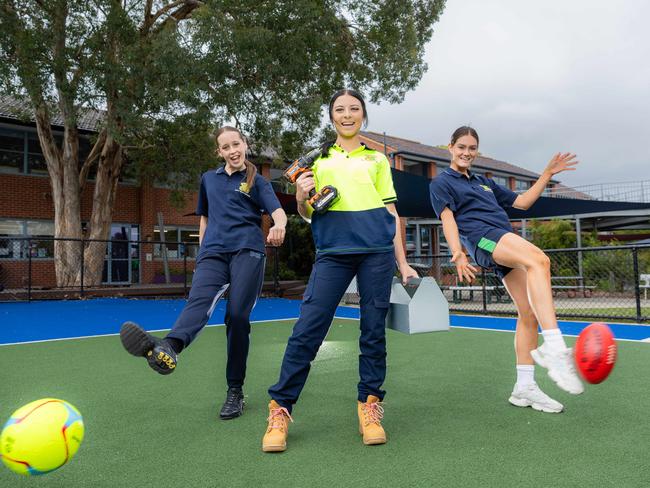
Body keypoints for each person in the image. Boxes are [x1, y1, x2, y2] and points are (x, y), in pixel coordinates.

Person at [261, 89, 418, 452]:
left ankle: (370, 405)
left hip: (377, 254)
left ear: (363, 115)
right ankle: (280, 409)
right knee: (307, 331)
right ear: (332, 117)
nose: (347, 115)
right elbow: (307, 213)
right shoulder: (319, 160)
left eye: (354, 109)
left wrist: (403, 262)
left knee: (373, 332)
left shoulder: (377, 161)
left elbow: (392, 214)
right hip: (332, 253)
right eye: (340, 109)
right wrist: (301, 196)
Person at [120, 126, 287, 420]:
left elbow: (278, 212)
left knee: (237, 316)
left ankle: (234, 390)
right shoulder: (209, 179)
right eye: (226, 147)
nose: (233, 150)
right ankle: (169, 347)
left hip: (247, 251)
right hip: (212, 252)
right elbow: (205, 218)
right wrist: (203, 250)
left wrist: (278, 225)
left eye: (236, 144)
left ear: (245, 145)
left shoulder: (258, 181)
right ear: (219, 152)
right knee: (198, 300)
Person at [429, 126, 583, 414]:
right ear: (450, 147)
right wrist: (457, 253)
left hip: (501, 239)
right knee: (540, 260)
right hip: (481, 237)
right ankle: (554, 346)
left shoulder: (483, 182)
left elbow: (522, 202)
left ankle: (524, 387)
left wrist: (547, 174)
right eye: (461, 147)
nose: (466, 152)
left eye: (472, 148)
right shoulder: (441, 183)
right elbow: (448, 219)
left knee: (529, 312)